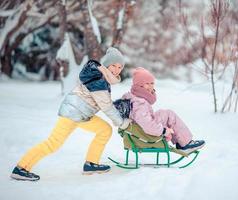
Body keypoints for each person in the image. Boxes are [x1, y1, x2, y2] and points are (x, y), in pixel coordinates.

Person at [11, 47, 131, 181]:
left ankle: (91, 163)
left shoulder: (101, 77)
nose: (116, 69)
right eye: (113, 65)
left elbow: (104, 102)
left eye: (120, 67)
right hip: (73, 113)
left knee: (104, 130)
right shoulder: (99, 79)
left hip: (81, 114)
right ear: (106, 64)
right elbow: (106, 106)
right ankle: (21, 168)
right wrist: (122, 123)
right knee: (53, 143)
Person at [121, 67, 205, 153]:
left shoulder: (137, 98)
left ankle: (183, 142)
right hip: (145, 133)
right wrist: (163, 131)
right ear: (139, 85)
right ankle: (185, 143)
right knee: (169, 115)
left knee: (167, 114)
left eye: (152, 83)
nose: (150, 86)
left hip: (143, 128)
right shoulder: (139, 104)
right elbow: (147, 125)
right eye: (147, 83)